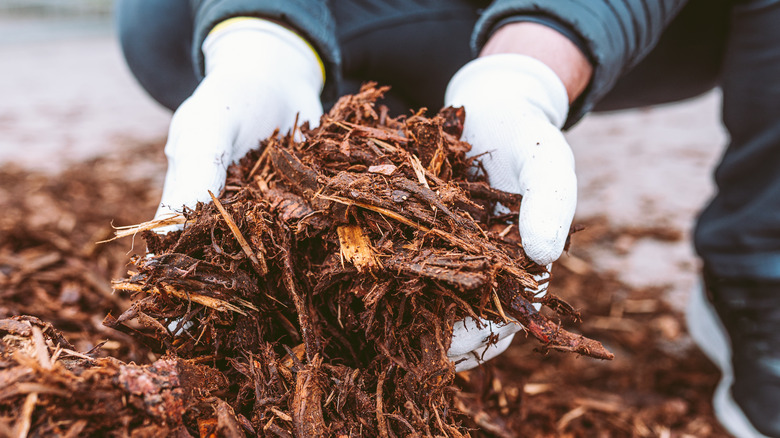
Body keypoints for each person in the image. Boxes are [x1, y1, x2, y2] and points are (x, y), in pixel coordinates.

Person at [116, 1, 780, 436]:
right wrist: (260, 37)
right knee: (162, 17)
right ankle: (312, 69)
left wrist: (529, 70)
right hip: (353, 15)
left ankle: (757, 268)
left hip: (608, 23)